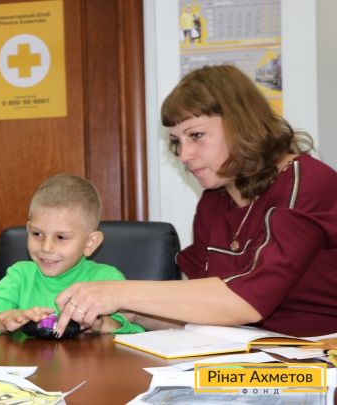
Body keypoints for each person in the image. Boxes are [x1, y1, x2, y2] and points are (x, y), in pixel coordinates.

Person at [54, 65, 337, 337]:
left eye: (196, 135)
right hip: (251, 354)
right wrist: (128, 314)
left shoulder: (306, 182)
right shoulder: (214, 201)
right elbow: (205, 314)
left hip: (318, 355)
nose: (184, 155)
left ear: (242, 125)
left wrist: (118, 292)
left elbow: (247, 301)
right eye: (177, 141)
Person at [0, 173, 144, 335]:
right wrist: (4, 319)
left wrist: (102, 325)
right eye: (37, 234)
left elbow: (136, 333)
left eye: (61, 237)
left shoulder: (108, 280)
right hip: (28, 360)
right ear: (28, 229)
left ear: (90, 243)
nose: (46, 247)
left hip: (85, 362)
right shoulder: (20, 276)